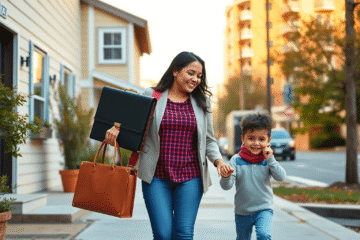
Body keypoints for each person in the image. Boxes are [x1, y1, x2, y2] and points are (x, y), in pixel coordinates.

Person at [104, 51, 225, 240]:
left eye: (199, 76)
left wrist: (218, 162)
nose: (195, 79)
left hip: (190, 177)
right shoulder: (152, 95)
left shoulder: (203, 103)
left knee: (184, 234)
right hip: (156, 176)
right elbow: (132, 127)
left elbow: (209, 140)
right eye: (191, 73)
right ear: (175, 71)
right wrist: (116, 130)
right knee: (162, 234)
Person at [219, 113, 286, 240]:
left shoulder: (268, 160)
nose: (256, 143)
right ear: (243, 139)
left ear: (268, 141)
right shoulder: (236, 160)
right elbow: (226, 187)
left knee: (264, 235)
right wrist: (226, 177)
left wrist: (271, 160)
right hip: (242, 211)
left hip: (264, 209)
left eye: (261, 139)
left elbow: (281, 177)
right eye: (251, 138)